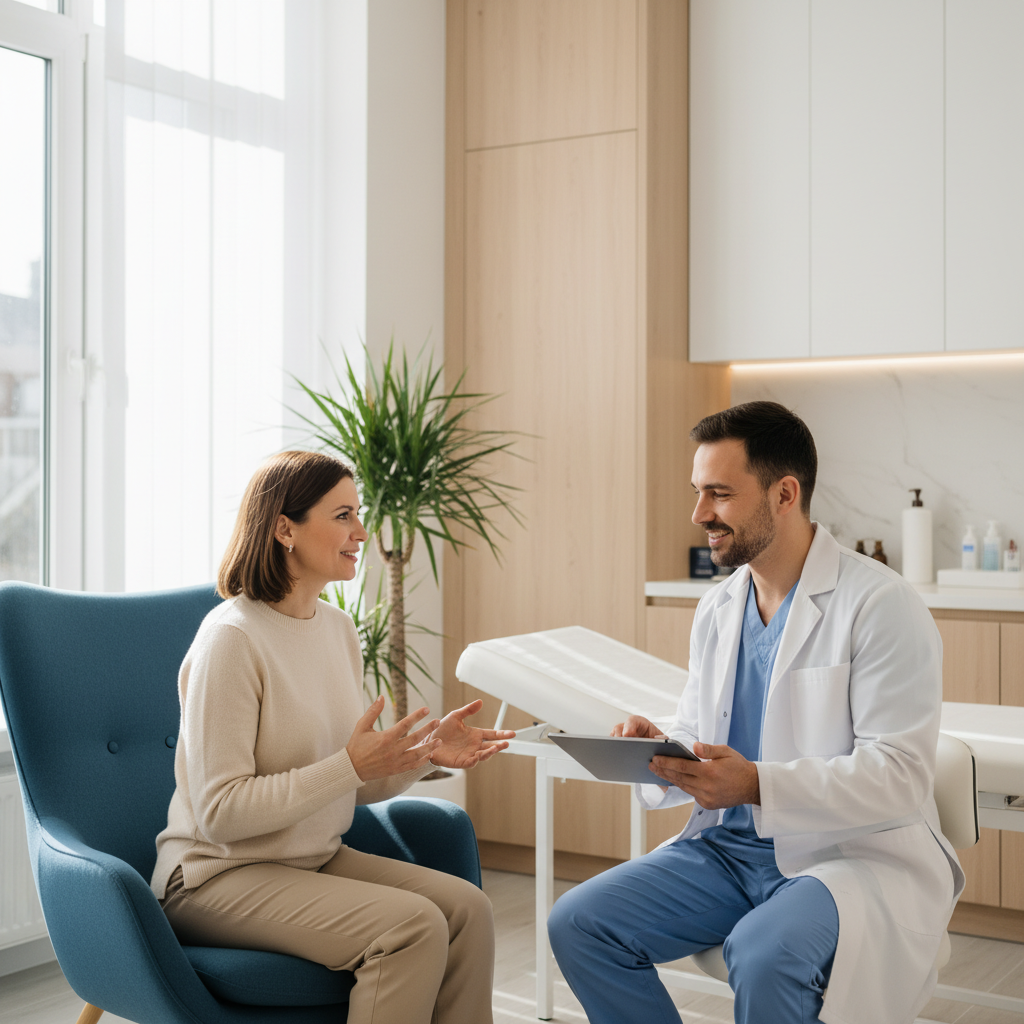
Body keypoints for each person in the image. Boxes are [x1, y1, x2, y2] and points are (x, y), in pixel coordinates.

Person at [548, 402, 964, 1024]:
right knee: (579, 923)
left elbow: (899, 774)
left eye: (719, 494)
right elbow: (703, 729)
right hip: (726, 852)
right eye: (698, 493)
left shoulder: (880, 604)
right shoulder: (718, 608)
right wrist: (663, 747)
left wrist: (756, 784)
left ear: (784, 494)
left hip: (845, 856)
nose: (699, 514)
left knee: (763, 952)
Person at [150, 450, 514, 1024]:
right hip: (214, 876)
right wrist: (349, 766)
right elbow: (220, 814)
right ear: (284, 529)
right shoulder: (232, 640)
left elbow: (350, 782)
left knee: (467, 909)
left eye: (357, 514)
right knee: (411, 926)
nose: (361, 532)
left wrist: (423, 756)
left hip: (311, 859)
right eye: (343, 515)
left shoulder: (339, 630)